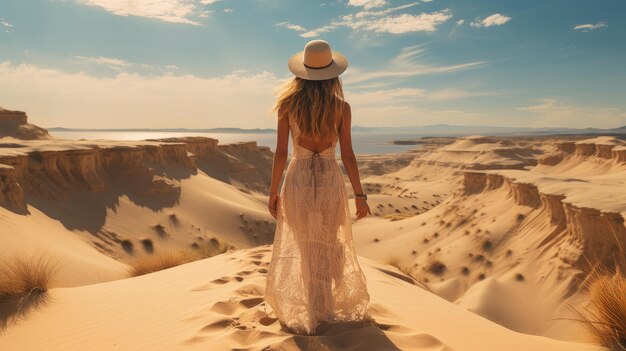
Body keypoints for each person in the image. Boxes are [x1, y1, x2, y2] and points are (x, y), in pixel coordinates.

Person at [264, 39, 371, 335]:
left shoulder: (287, 106)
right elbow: (347, 155)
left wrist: (273, 191)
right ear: (333, 75)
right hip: (329, 182)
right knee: (327, 245)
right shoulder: (342, 108)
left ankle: (313, 308)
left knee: (305, 247)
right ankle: (323, 309)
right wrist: (359, 196)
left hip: (297, 180)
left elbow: (281, 154)